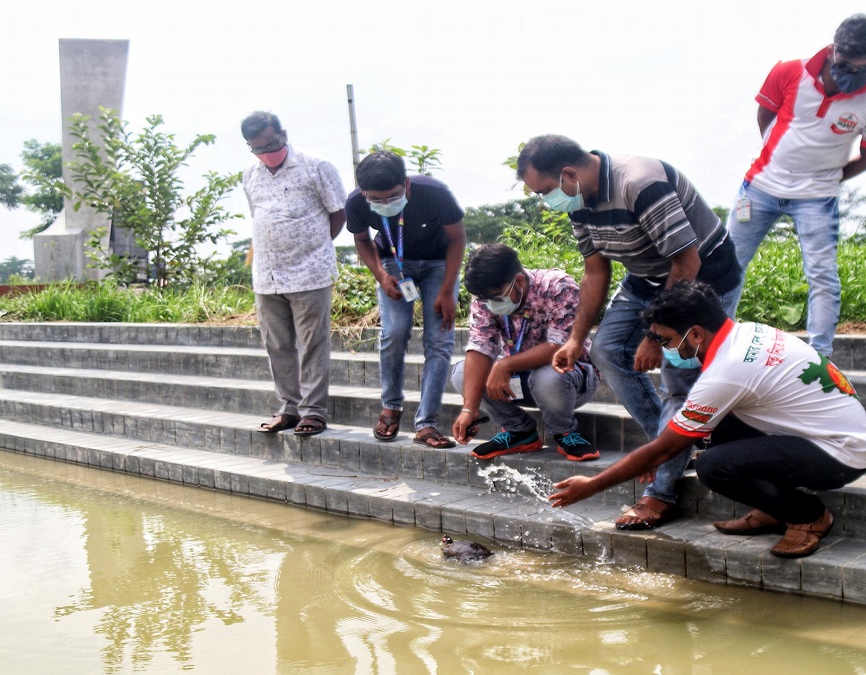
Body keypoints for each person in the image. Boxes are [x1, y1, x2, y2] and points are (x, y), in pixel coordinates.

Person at [549, 281, 866, 558]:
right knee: (711, 430)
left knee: (713, 467)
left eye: (665, 340)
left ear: (694, 335)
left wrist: (592, 485)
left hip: (840, 454)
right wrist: (654, 454)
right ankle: (775, 507)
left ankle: (809, 516)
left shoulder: (726, 372)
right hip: (835, 432)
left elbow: (664, 449)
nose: (664, 349)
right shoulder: (748, 333)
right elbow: (678, 437)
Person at [517, 134, 741, 530]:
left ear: (568, 174)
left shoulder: (639, 182)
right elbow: (595, 271)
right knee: (604, 351)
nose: (545, 201)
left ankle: (661, 492)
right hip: (647, 278)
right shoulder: (579, 200)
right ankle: (670, 444)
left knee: (678, 377)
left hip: (702, 279)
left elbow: (686, 260)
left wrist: (655, 337)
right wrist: (574, 338)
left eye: (545, 191)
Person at [728, 14, 866, 357]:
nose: (852, 74)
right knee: (727, 264)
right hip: (759, 188)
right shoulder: (789, 72)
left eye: (863, 69)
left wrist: (830, 176)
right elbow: (765, 115)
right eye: (846, 65)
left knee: (822, 276)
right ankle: (713, 345)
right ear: (834, 50)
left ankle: (820, 357)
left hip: (817, 199)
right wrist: (781, 159)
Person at [346, 150, 466, 449]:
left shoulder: (435, 193)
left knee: (439, 340)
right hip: (394, 264)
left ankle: (426, 424)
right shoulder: (356, 202)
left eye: (393, 196)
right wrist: (381, 276)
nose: (385, 204)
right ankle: (391, 406)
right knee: (394, 332)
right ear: (364, 192)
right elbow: (362, 240)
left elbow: (457, 238)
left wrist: (448, 290)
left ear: (406, 184)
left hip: (439, 264)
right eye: (377, 199)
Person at [241, 111, 348, 437]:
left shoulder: (316, 166)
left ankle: (313, 412)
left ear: (283, 134)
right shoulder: (250, 175)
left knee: (312, 344)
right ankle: (288, 408)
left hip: (309, 273)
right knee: (277, 345)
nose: (266, 152)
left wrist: (312, 247)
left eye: (271, 144)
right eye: (257, 148)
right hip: (267, 276)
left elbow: (338, 213)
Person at [449, 243, 600, 461]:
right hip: (519, 380)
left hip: (569, 378)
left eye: (497, 297)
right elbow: (480, 346)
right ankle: (520, 432)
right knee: (462, 373)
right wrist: (468, 410)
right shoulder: (485, 297)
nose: (491, 305)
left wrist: (505, 365)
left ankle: (565, 432)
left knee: (547, 376)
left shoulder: (557, 286)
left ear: (519, 280)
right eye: (485, 299)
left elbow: (560, 347)